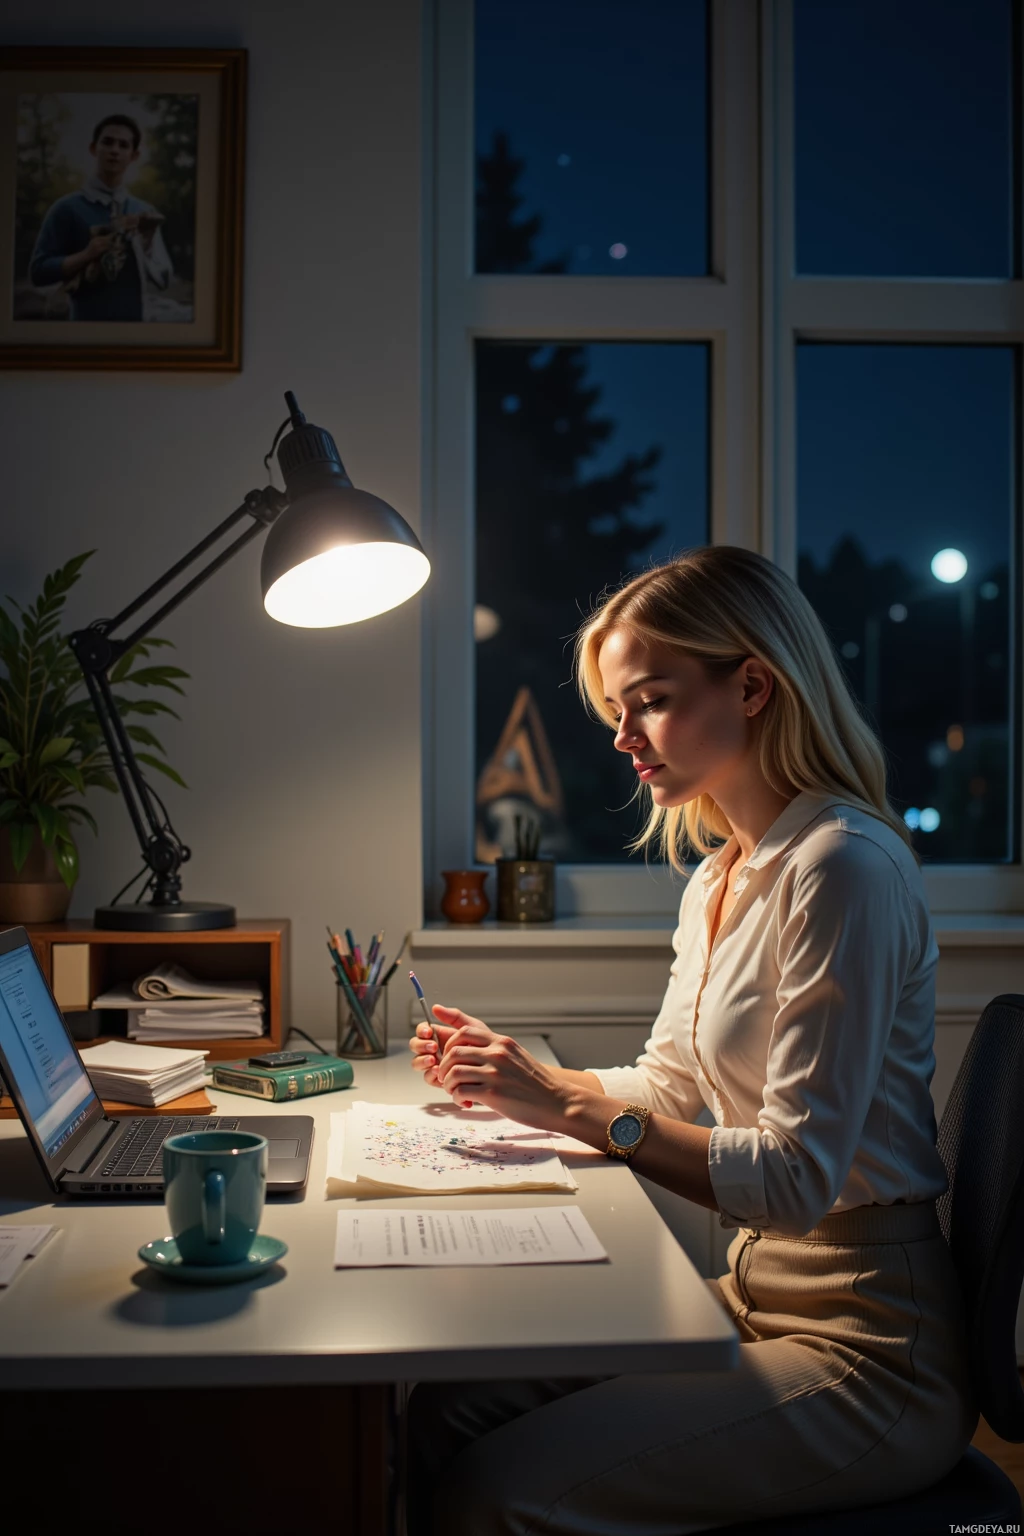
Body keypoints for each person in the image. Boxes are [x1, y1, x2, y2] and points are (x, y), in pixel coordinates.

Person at [405, 546, 977, 1535]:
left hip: (871, 1346)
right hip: (758, 1288)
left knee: (489, 1493)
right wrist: (526, 1081)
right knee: (445, 1408)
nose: (623, 737)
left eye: (650, 701)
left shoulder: (843, 867)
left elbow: (799, 1178)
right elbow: (667, 1083)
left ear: (752, 685)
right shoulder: (722, 874)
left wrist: (575, 1110)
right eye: (617, 710)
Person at [28, 113, 172, 322]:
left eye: (124, 145)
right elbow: (38, 273)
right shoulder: (66, 208)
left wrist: (147, 243)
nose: (115, 150)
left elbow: (164, 279)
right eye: (108, 142)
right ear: (94, 148)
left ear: (134, 156)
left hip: (135, 332)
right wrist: (85, 255)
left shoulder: (145, 212)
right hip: (84, 333)